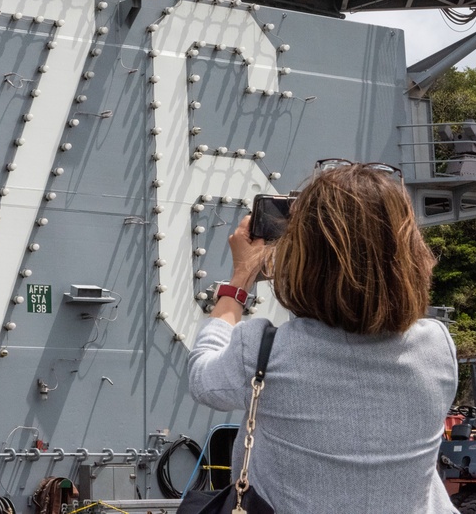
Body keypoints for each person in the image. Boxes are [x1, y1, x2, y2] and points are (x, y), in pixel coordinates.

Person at [188, 161, 458, 514]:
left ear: (304, 256)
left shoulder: (264, 351)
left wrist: (240, 278)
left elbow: (201, 376)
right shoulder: (438, 346)